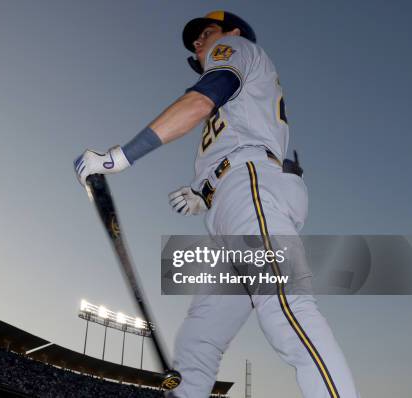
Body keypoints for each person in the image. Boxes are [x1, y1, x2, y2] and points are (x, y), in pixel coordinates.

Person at [74, 10, 359, 398]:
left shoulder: (236, 48)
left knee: (286, 310)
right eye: (196, 41)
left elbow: (198, 104)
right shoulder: (239, 86)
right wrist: (204, 192)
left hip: (252, 185)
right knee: (199, 339)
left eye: (206, 33)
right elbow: (231, 129)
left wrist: (119, 157)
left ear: (233, 33)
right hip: (235, 196)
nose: (198, 43)